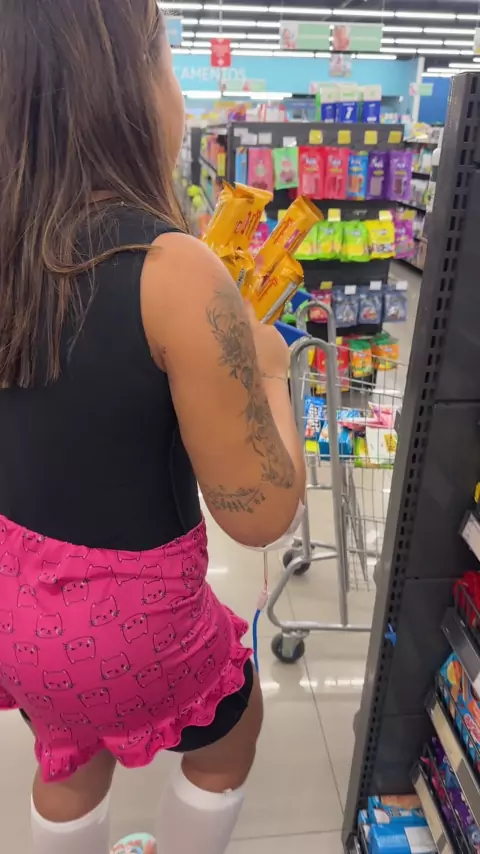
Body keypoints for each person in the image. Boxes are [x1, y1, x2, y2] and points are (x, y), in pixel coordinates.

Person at [0, 2, 306, 853]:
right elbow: (259, 514)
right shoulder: (174, 269)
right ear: (129, 86)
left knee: (68, 753)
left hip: (16, 604)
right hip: (131, 627)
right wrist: (269, 370)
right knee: (230, 731)